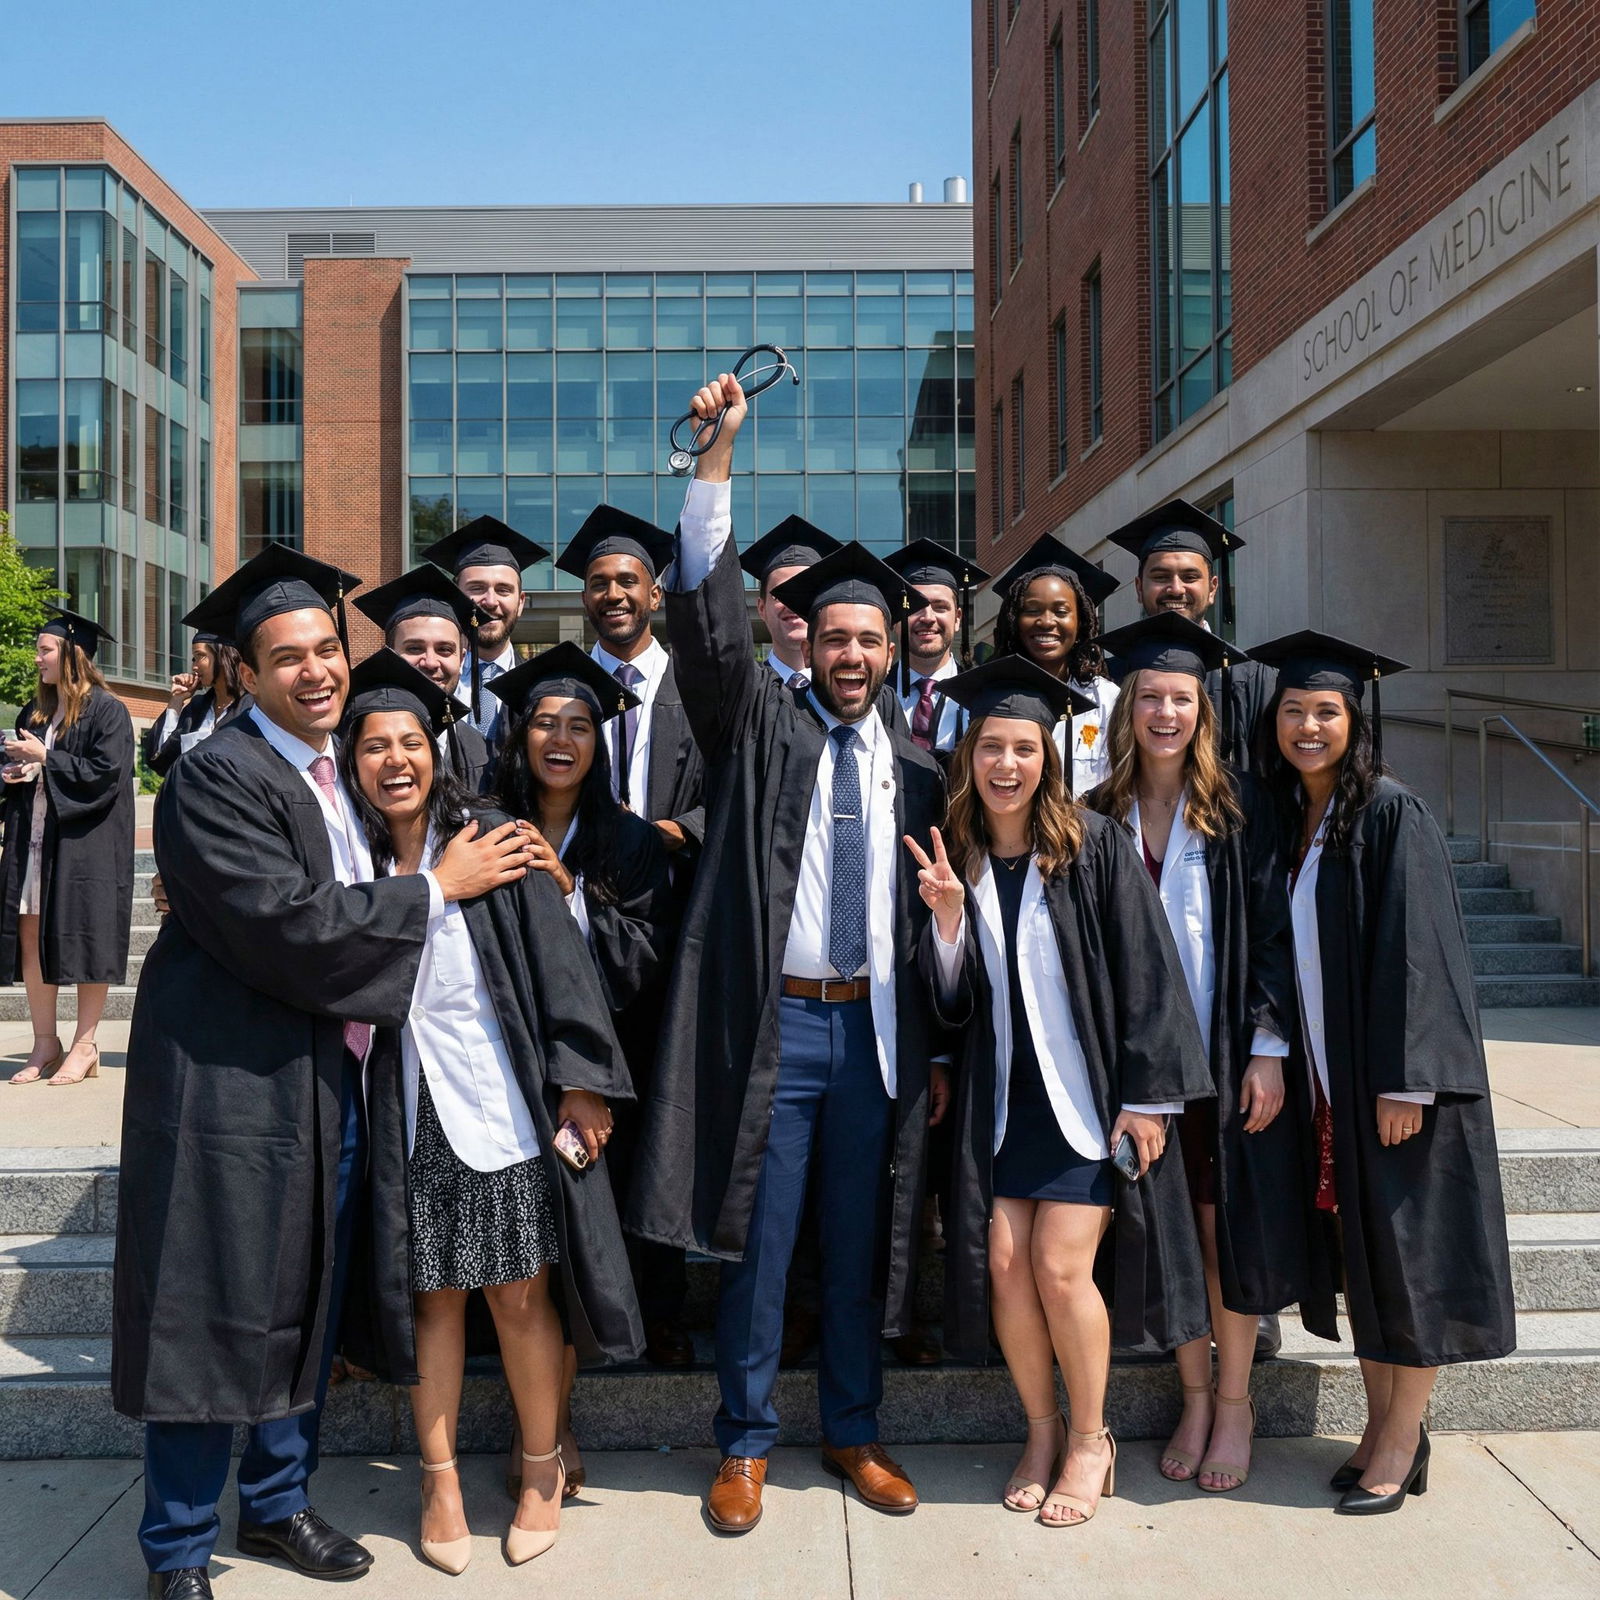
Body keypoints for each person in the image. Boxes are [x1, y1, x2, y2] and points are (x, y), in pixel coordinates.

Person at [113, 545, 535, 1600]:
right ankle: (177, 1546)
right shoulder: (218, 773)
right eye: (287, 657)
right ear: (246, 673)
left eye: (326, 650)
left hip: (326, 1082)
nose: (316, 671)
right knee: (211, 1303)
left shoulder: (339, 770)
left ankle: (277, 1502)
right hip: (231, 1087)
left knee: (302, 1297)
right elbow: (282, 920)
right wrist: (435, 890)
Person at [627, 371, 950, 1534]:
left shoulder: (920, 769)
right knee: (758, 1244)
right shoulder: (758, 720)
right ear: (806, 641)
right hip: (782, 1026)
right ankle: (746, 1440)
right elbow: (709, 629)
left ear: (893, 649)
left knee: (858, 1242)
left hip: (876, 1029)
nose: (851, 654)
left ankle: (853, 1430)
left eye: (869, 638)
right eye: (834, 636)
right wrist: (717, 456)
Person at [336, 651, 639, 1575]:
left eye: (410, 742)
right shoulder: (344, 852)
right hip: (405, 1106)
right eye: (374, 746)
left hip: (499, 1101)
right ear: (350, 761)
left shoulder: (495, 835)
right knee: (432, 1301)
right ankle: (440, 1483)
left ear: (438, 751)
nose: (395, 760)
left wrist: (582, 1080)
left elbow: (560, 964)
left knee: (518, 1295)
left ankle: (542, 1469)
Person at [913, 654, 1213, 1530]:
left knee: (1056, 1265)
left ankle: (1090, 1439)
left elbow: (1149, 972)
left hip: (1084, 1104)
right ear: (969, 756)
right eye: (991, 748)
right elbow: (951, 1004)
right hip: (1002, 1103)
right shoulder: (958, 856)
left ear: (1048, 758)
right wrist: (946, 924)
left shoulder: (1092, 846)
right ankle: (1041, 1433)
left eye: (1024, 749)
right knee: (1004, 1266)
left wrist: (1150, 1100)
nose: (1006, 765)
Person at [1248, 629, 1516, 1515]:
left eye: (1326, 711)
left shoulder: (1391, 813)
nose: (1308, 726)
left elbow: (1421, 949)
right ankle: (1379, 1428)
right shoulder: (1297, 818)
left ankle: (1402, 1441)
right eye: (1293, 710)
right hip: (1333, 1086)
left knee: (1408, 1264)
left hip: (1392, 1087)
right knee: (1365, 1261)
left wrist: (1407, 1081)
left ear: (1356, 722)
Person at [1087, 612, 1304, 1493]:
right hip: (1134, 1066)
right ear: (1127, 708)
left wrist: (1268, 1047)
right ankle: (1194, 1398)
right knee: (1172, 1237)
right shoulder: (1096, 813)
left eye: (1181, 698)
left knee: (1222, 1234)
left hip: (1220, 1058)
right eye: (1150, 697)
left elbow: (1274, 937)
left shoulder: (1239, 810)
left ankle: (1236, 1404)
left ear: (1203, 711)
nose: (1166, 713)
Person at [490, 639, 677, 1482]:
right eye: (545, 723)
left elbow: (643, 962)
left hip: (596, 1079)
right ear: (520, 734)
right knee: (524, 1259)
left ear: (599, 744)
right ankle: (541, 1428)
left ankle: (555, 1428)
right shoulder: (485, 828)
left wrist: (567, 893)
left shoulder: (629, 841)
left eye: (579, 726)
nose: (561, 739)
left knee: (570, 1256)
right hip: (502, 1068)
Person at [552, 507, 703, 1367]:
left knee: (661, 1132)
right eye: (598, 582)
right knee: (580, 1127)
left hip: (669, 939)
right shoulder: (564, 694)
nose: (613, 593)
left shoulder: (699, 689)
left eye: (628, 581)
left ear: (655, 591)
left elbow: (735, 793)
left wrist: (670, 835)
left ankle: (662, 1311)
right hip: (574, 942)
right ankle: (585, 1310)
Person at [1, 606, 134, 1088]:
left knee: (86, 935)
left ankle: (85, 1044)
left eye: (45, 650)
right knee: (30, 932)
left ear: (73, 655)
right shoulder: (34, 712)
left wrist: (47, 757)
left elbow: (106, 774)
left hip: (84, 846)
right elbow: (29, 767)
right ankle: (44, 1042)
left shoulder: (108, 711)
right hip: (34, 839)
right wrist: (16, 770)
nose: (36, 658)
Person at [1107, 499, 1274, 771]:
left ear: (1213, 588)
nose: (1175, 589)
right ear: (1138, 588)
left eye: (1190, 577)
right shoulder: (1109, 681)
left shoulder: (1252, 680)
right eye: (1160, 577)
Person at [987, 533, 1122, 793]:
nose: (1047, 622)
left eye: (1061, 611)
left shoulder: (1106, 699)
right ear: (1014, 620)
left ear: (1081, 621)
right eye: (1032, 610)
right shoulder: (993, 695)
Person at [352, 564, 494, 791]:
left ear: (461, 659)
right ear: (390, 653)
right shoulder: (353, 742)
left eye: (444, 650)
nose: (430, 662)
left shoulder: (483, 753)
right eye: (414, 648)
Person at [420, 516, 548, 761]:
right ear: (455, 598)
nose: (490, 601)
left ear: (521, 603)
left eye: (503, 590)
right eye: (477, 588)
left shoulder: (540, 687)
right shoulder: (428, 680)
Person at [883, 539, 991, 759]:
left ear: (958, 618)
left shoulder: (983, 695)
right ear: (895, 619)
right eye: (915, 607)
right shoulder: (872, 696)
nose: (928, 617)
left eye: (940, 607)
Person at [740, 516, 842, 690]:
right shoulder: (744, 692)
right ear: (762, 609)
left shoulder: (850, 690)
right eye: (780, 594)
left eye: (806, 592)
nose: (793, 603)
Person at [142, 632, 247, 776]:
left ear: (223, 656)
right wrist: (176, 701)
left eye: (200, 656)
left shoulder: (252, 708)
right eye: (193, 659)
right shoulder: (197, 708)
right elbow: (162, 761)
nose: (194, 667)